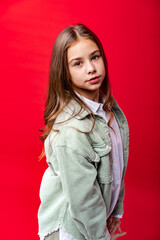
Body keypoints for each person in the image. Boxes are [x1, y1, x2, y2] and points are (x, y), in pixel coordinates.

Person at [38, 23, 129, 240]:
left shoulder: (110, 110)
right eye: (78, 63)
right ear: (65, 73)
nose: (90, 68)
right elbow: (83, 201)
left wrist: (115, 209)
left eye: (95, 57)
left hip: (92, 222)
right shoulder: (72, 132)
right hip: (71, 230)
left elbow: (117, 163)